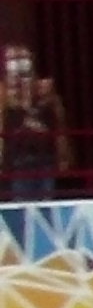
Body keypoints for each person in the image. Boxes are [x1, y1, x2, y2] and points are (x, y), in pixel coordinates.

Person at [0, 44, 68, 203]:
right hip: (18, 161)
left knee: (46, 203)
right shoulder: (4, 95)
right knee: (22, 204)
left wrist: (63, 156)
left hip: (44, 158)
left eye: (23, 61)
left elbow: (58, 125)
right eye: (14, 62)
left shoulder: (46, 93)